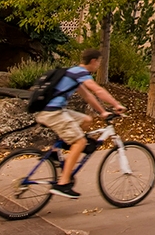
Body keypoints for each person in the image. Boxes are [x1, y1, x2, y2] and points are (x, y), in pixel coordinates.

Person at [35, 49, 125, 198]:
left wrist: (102, 112)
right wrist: (116, 104)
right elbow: (97, 90)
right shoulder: (80, 73)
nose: (99, 65)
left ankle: (56, 151)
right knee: (80, 142)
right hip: (53, 112)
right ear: (93, 61)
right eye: (99, 62)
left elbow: (88, 96)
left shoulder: (74, 72)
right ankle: (63, 184)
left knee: (86, 120)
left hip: (53, 110)